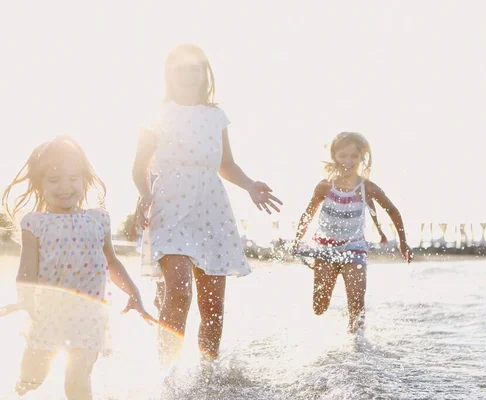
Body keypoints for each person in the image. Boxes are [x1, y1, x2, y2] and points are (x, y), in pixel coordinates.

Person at [132, 43, 282, 365]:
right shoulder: (157, 114)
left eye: (194, 68)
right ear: (169, 74)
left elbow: (225, 164)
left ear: (205, 74)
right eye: (180, 68)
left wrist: (251, 185)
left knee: (212, 306)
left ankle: (208, 376)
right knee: (180, 292)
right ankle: (167, 378)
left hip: (211, 209)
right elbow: (139, 166)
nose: (187, 74)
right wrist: (144, 195)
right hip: (169, 206)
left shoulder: (216, 116)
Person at [0, 135, 154, 400]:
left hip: (90, 316)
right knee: (32, 377)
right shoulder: (35, 223)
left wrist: (133, 292)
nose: (65, 187)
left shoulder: (98, 219)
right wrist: (24, 300)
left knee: (77, 376)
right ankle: (20, 388)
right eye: (54, 180)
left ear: (84, 180)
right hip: (47, 314)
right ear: (39, 184)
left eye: (73, 179)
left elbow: (112, 262)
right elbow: (27, 269)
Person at [292, 132, 413, 334]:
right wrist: (297, 240)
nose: (348, 161)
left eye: (353, 156)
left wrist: (403, 242)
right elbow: (308, 214)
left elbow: (393, 211)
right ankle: (337, 328)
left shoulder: (368, 187)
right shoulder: (324, 186)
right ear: (334, 156)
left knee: (357, 303)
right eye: (342, 155)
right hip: (325, 249)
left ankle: (357, 349)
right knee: (319, 307)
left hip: (354, 249)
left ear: (362, 157)